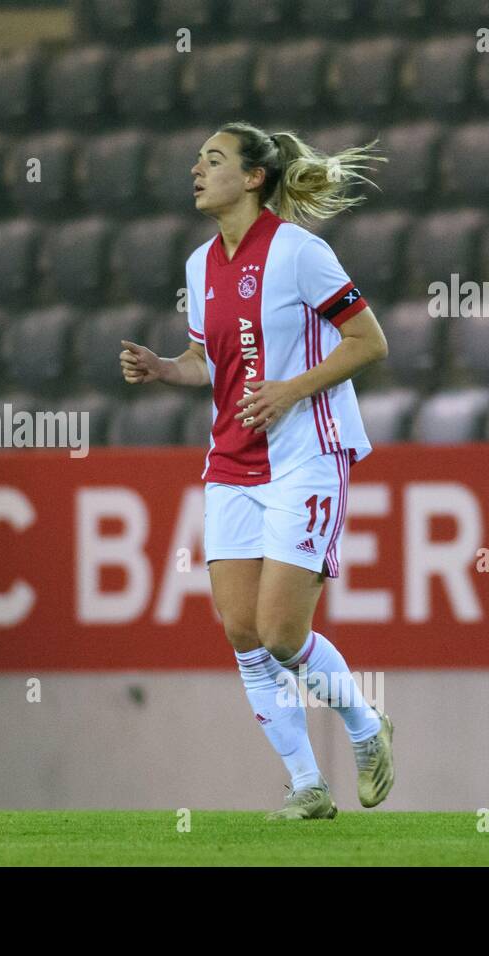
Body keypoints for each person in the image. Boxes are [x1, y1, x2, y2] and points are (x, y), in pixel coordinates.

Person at [120, 123, 394, 820]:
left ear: (252, 178)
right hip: (232, 460)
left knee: (280, 633)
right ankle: (306, 782)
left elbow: (369, 342)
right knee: (241, 630)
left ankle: (367, 729)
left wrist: (291, 389)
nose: (196, 168)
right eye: (196, 158)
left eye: (212, 159)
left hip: (307, 454)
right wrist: (164, 368)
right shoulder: (197, 265)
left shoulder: (301, 253)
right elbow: (211, 364)